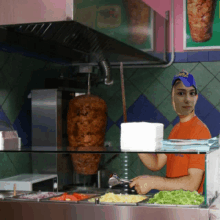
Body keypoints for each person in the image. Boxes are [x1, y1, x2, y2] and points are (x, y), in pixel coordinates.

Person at [130, 70, 211, 195]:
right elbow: (156, 163)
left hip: (189, 207)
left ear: (195, 98)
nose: (185, 99)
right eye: (180, 93)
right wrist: (135, 143)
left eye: (190, 93)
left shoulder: (200, 131)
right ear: (173, 100)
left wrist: (153, 182)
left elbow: (192, 184)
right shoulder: (175, 130)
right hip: (173, 202)